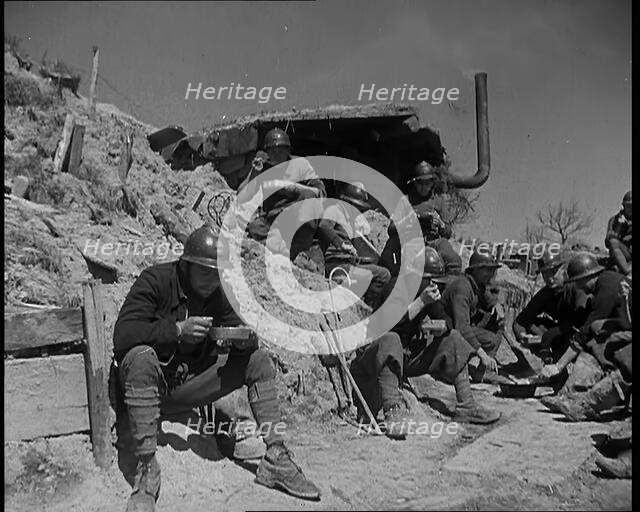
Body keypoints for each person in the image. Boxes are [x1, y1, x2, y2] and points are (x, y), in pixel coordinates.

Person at [110, 226, 320, 511]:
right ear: (187, 265)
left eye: (218, 273)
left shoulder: (218, 293)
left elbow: (243, 334)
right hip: (149, 385)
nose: (213, 281)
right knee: (140, 356)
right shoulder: (156, 281)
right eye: (206, 273)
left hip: (189, 388)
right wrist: (176, 330)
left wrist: (243, 340)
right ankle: (146, 469)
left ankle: (276, 458)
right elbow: (123, 334)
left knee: (258, 360)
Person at [351, 247, 501, 440]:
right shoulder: (394, 287)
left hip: (405, 358)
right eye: (429, 280)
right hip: (377, 357)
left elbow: (446, 320)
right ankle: (393, 410)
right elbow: (386, 326)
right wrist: (420, 303)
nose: (434, 285)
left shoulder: (428, 292)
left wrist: (439, 327)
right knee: (391, 339)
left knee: (453, 339)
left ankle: (467, 405)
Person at [539, 253, 631, 421]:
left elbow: (585, 332)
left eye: (579, 282)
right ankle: (568, 394)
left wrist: (559, 366)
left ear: (589, 276)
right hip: (626, 330)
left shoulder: (607, 290)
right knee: (597, 334)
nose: (579, 287)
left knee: (595, 342)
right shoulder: (607, 281)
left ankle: (583, 402)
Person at [241, 128, 326, 261]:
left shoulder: (300, 165)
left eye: (281, 151)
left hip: (297, 217)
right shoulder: (264, 168)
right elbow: (242, 195)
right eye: (272, 151)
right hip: (274, 219)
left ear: (288, 150)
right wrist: (254, 174)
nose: (277, 155)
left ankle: (296, 249)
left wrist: (293, 188)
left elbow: (320, 192)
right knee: (255, 228)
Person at [317, 181, 391, 308]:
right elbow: (323, 226)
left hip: (349, 263)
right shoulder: (334, 210)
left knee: (377, 269)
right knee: (383, 275)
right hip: (337, 265)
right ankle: (367, 309)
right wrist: (340, 243)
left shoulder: (350, 220)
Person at [440, 251, 504, 383]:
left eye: (492, 270)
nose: (491, 274)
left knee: (499, 321)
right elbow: (461, 327)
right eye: (487, 270)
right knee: (490, 339)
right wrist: (482, 354)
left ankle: (483, 371)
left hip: (462, 329)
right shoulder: (462, 287)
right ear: (476, 270)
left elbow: (488, 299)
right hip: (448, 334)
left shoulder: (477, 285)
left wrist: (496, 304)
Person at [512, 251, 587, 363]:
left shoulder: (576, 288)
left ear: (563, 270)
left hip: (580, 335)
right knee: (536, 324)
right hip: (559, 334)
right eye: (545, 274)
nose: (549, 278)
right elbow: (522, 319)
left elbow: (582, 320)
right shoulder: (547, 292)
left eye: (553, 272)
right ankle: (548, 359)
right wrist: (523, 336)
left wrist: (553, 333)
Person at [605, 190, 632, 276]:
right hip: (623, 253)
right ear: (624, 206)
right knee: (613, 242)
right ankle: (627, 271)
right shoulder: (614, 220)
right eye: (629, 206)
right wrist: (619, 228)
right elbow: (608, 242)